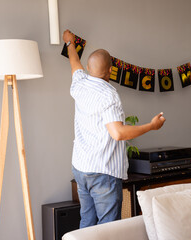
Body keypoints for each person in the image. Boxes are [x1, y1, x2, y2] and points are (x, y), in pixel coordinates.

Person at [63, 30, 166, 228]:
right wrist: (152, 126)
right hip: (102, 171)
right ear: (110, 70)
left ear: (88, 68)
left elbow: (74, 63)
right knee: (108, 227)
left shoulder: (80, 84)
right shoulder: (108, 94)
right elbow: (118, 133)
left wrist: (69, 43)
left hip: (81, 168)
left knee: (87, 221)